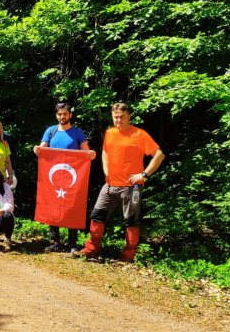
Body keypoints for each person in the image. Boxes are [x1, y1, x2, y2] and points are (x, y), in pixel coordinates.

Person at [77, 103, 164, 262]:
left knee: (131, 221)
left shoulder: (139, 134)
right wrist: (106, 170)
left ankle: (127, 257)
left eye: (122, 116)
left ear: (129, 116)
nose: (118, 120)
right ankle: (92, 248)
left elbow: (159, 155)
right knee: (97, 215)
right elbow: (105, 151)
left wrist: (144, 174)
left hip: (132, 188)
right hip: (110, 185)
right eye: (115, 116)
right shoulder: (110, 132)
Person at [33, 103, 96, 253]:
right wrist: (37, 149)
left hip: (71, 177)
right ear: (56, 115)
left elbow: (87, 153)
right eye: (60, 114)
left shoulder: (77, 132)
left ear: (70, 115)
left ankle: (72, 243)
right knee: (53, 206)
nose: (63, 117)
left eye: (65, 114)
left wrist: (92, 154)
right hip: (53, 176)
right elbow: (42, 149)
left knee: (72, 206)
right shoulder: (51, 131)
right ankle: (55, 242)